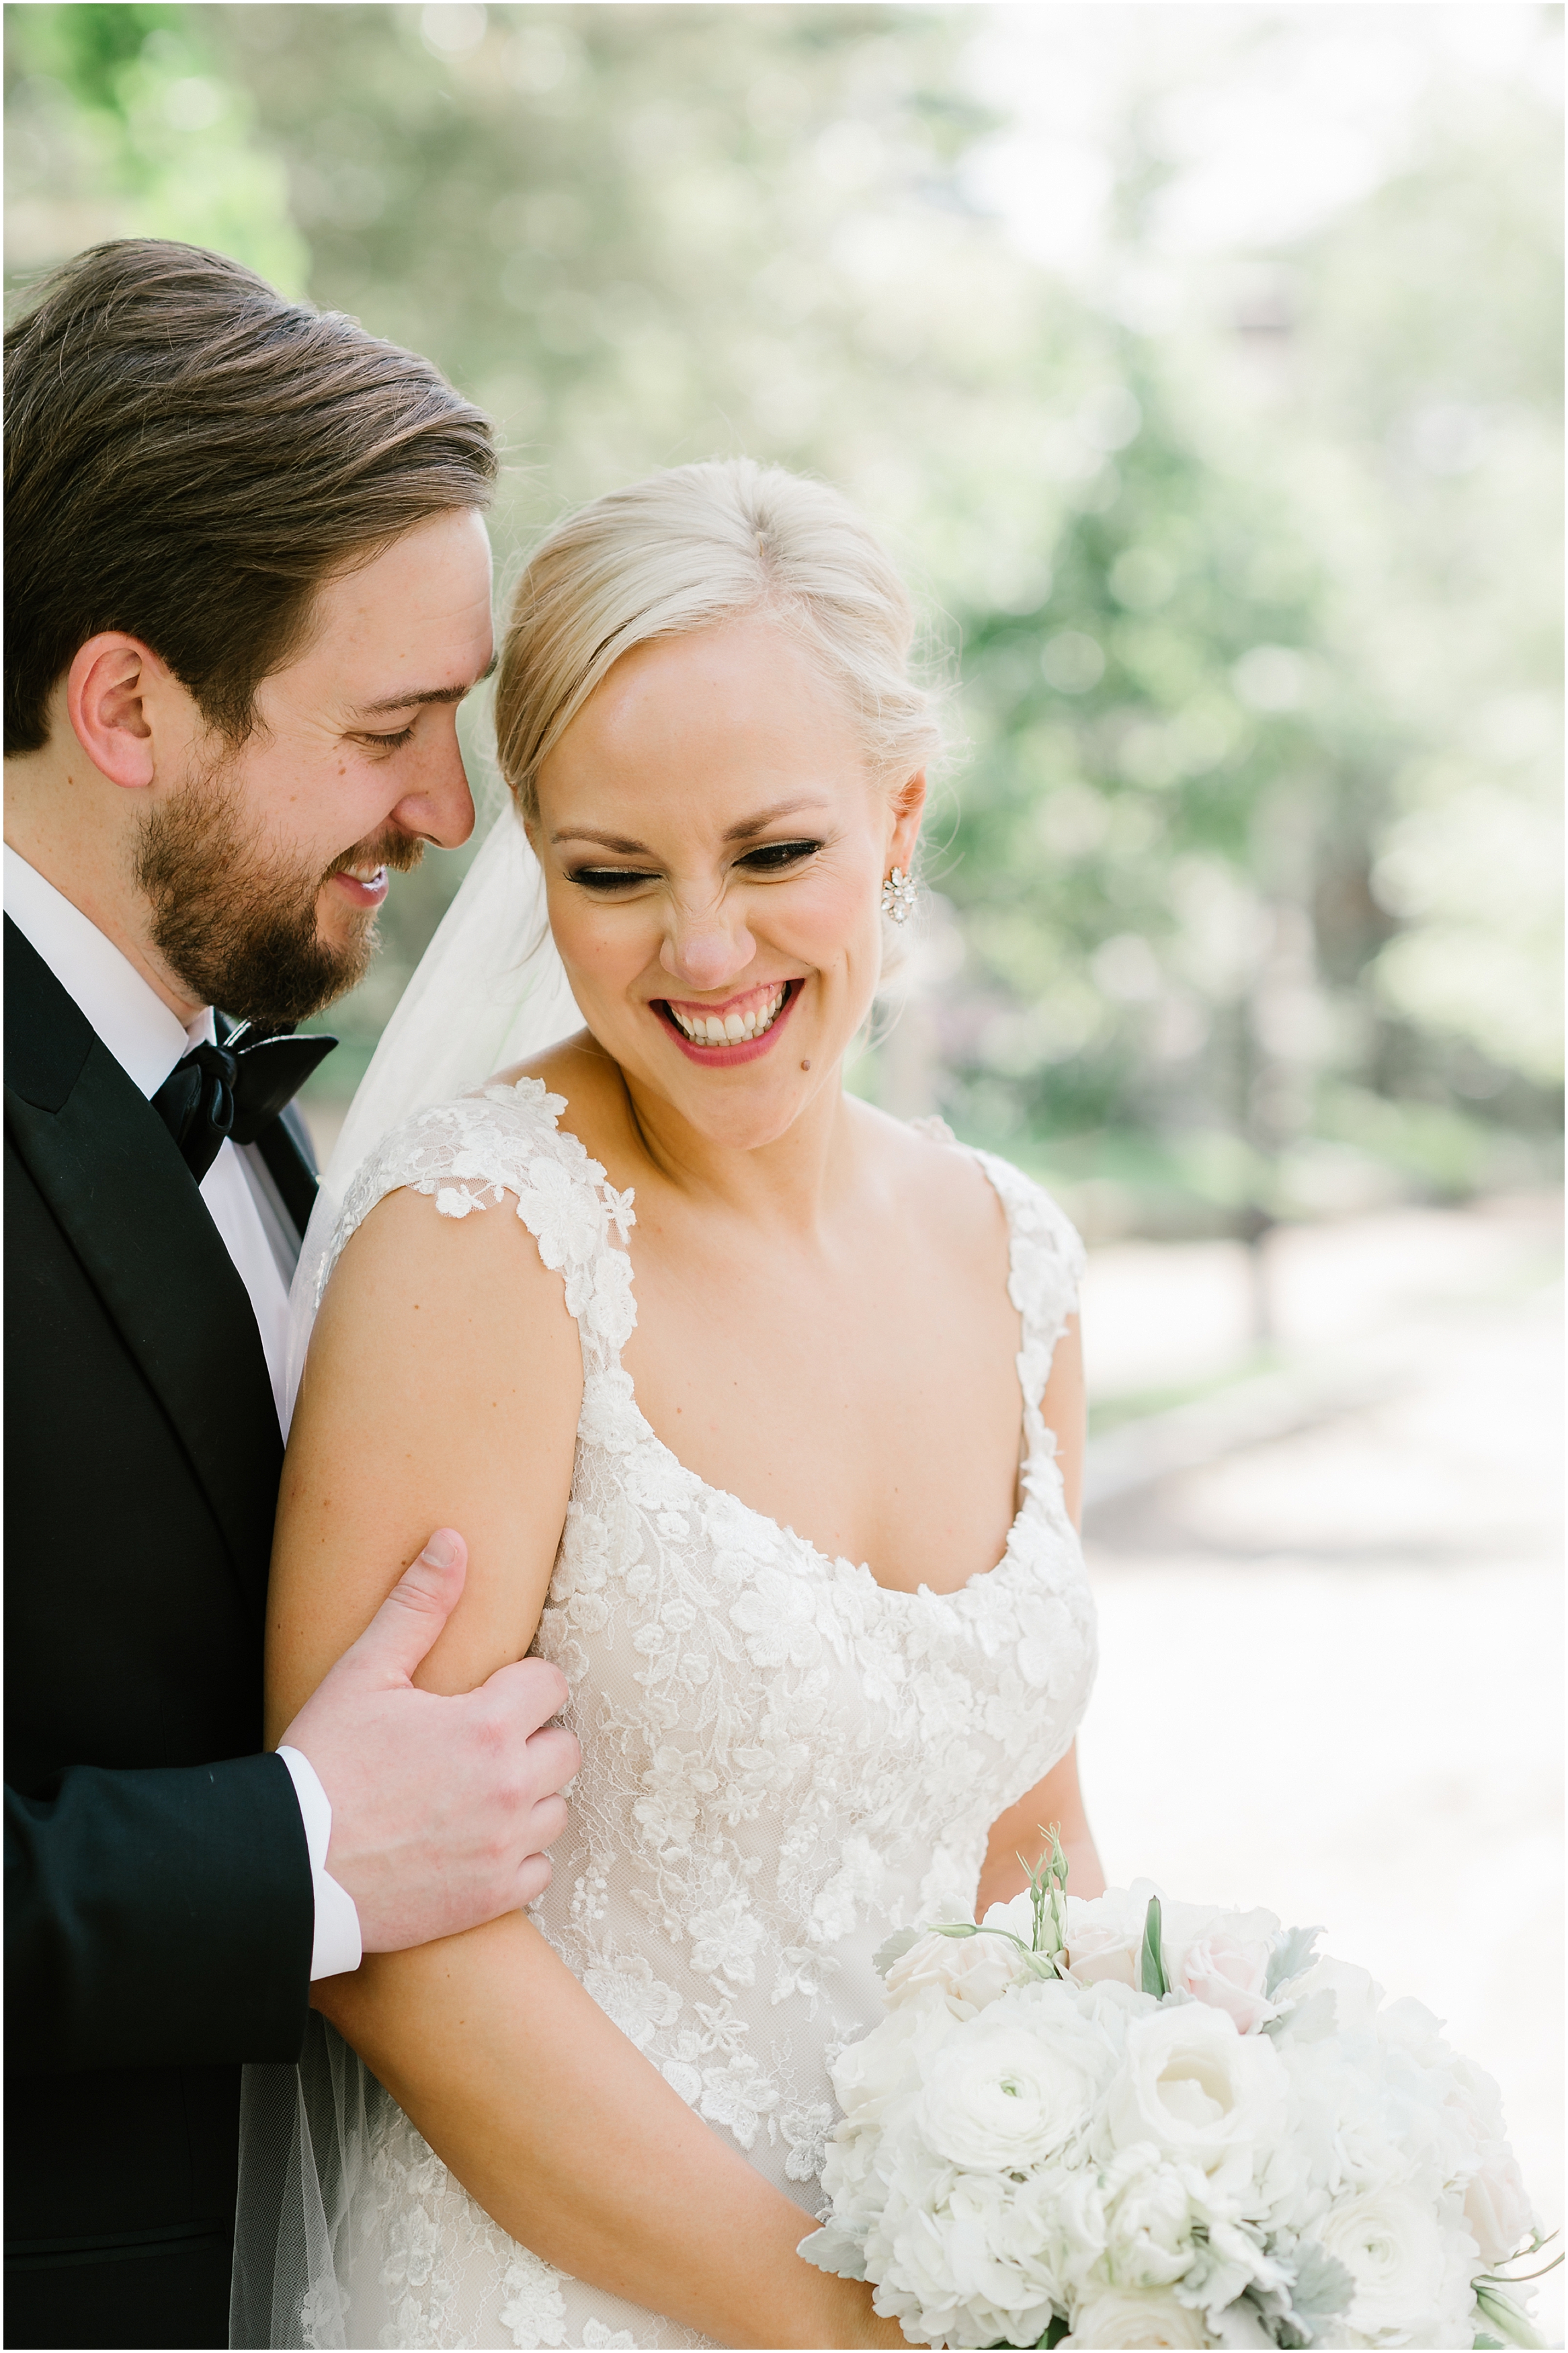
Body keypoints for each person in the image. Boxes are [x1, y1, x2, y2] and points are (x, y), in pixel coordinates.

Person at [243, 458, 1106, 2348]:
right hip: (558, 2292)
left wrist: (1152, 2192)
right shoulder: (482, 1239)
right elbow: (394, 1940)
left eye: (774, 854)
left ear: (900, 814)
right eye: (611, 875)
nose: (703, 955)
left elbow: (1026, 1850)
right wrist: (841, 2323)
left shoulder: (1013, 1254)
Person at [3, 241, 580, 2352]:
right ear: (131, 702)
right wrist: (301, 1845)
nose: (448, 813)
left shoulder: (256, 1107)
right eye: (391, 728)